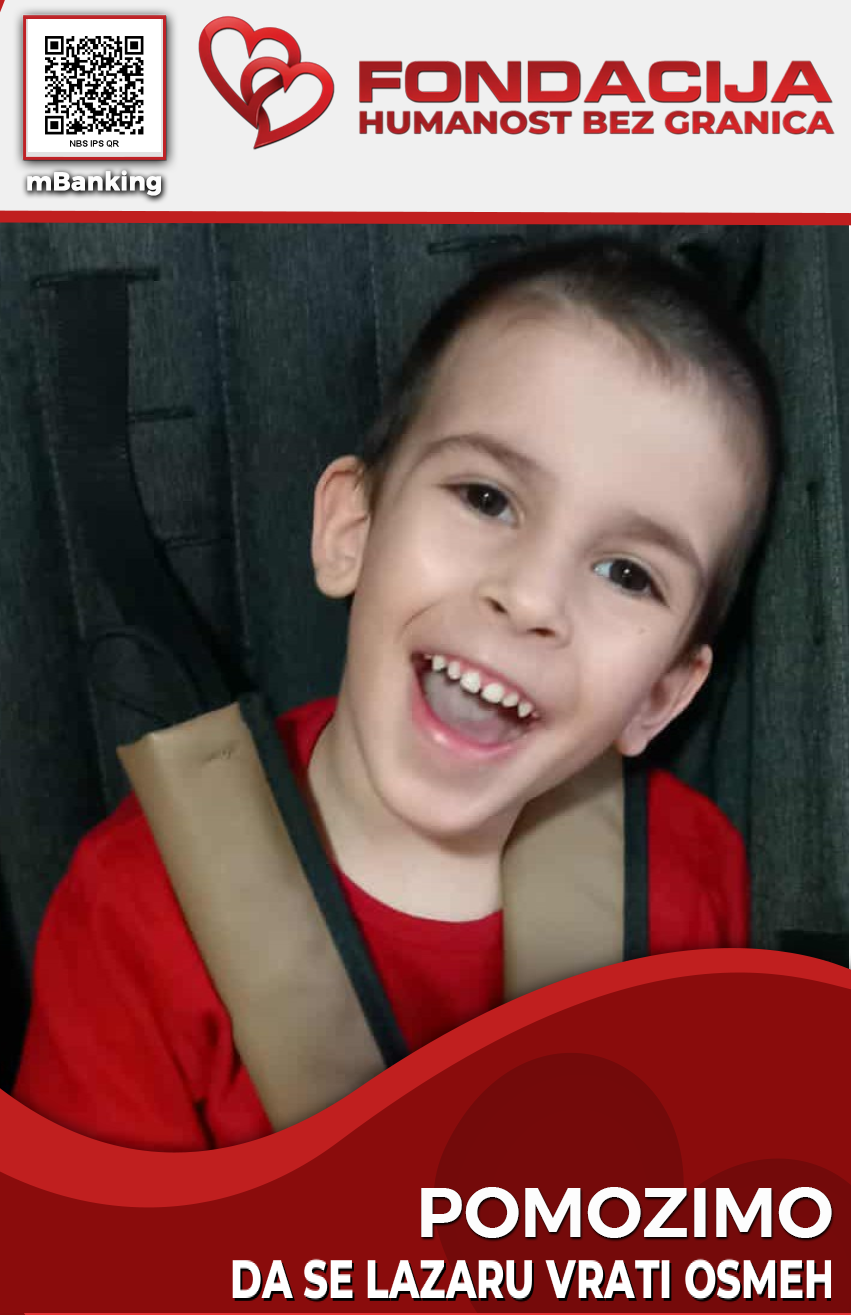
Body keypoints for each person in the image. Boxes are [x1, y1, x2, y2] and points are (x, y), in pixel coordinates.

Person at [14, 237, 779, 1151]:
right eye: (486, 498)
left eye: (626, 573)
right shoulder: (136, 914)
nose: (530, 597)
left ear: (659, 696)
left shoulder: (686, 884)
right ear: (352, 528)